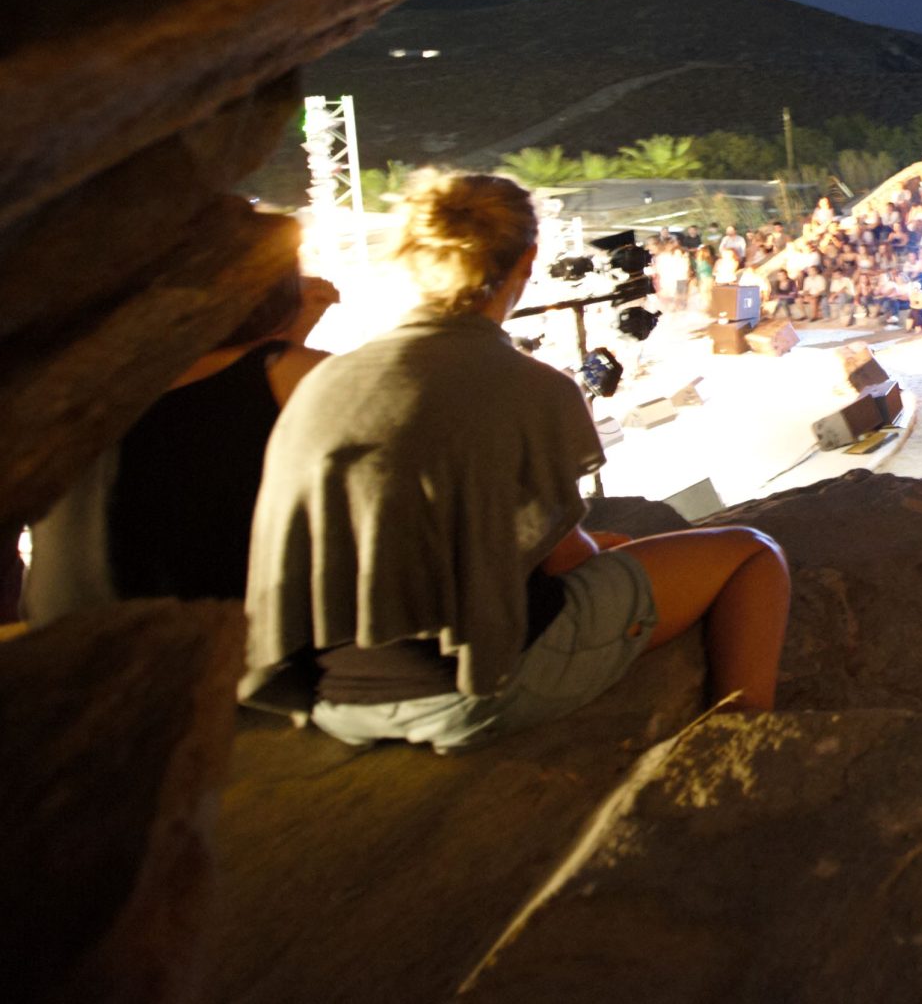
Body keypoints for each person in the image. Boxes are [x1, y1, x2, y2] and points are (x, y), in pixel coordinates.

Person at [238, 172, 790, 751]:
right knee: (753, 552)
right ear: (527, 261)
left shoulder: (325, 380)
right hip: (468, 688)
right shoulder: (536, 387)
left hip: (335, 696)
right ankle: (743, 748)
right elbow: (565, 560)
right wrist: (596, 546)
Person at [25, 270, 335, 624]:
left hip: (63, 640)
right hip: (223, 641)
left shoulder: (65, 397)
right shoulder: (295, 377)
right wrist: (283, 342)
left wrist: (281, 340)